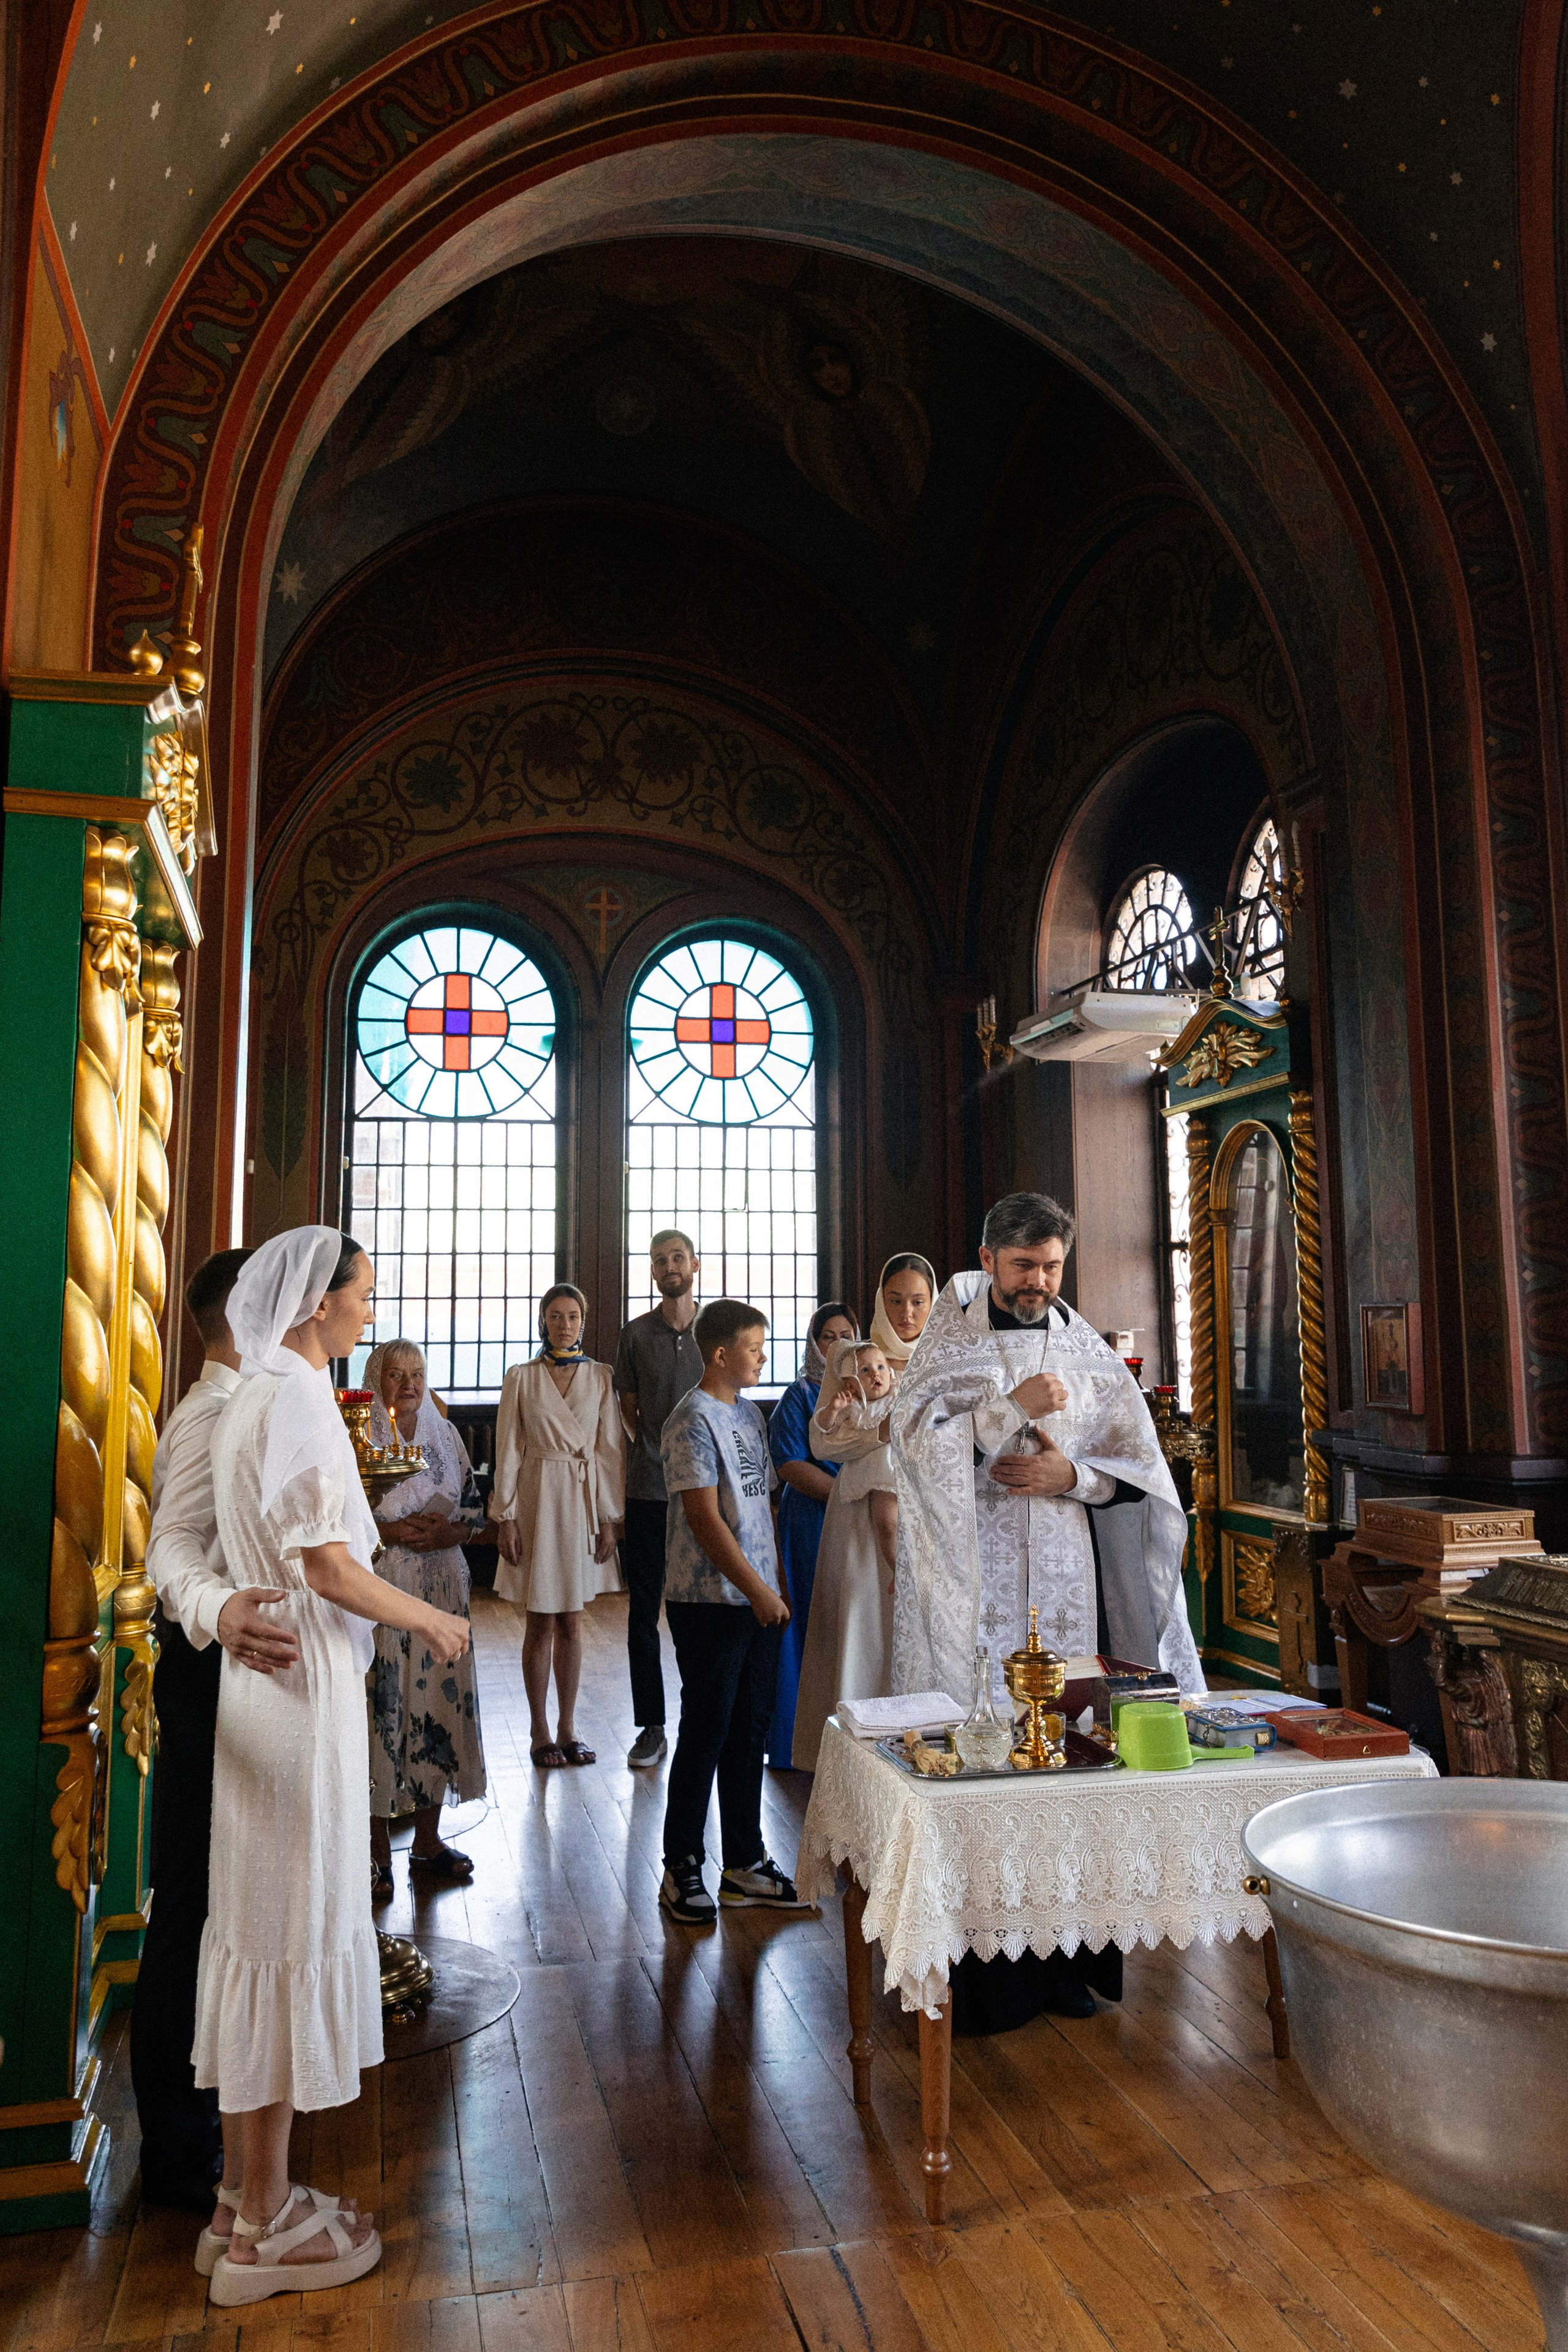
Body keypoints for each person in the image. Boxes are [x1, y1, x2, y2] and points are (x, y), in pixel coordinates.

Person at [195, 1227, 471, 2306]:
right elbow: (329, 1567)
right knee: (292, 1931)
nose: (369, 1313)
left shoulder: (250, 1391)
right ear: (317, 1303)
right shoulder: (304, 1394)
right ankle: (267, 2227)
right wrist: (433, 1627)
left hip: (253, 1684)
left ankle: (240, 2198)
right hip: (302, 1681)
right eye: (362, 1297)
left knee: (257, 1934)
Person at [891, 1189, 1202, 2026]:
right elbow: (913, 1452)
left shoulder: (1087, 1351)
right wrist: (1007, 1412)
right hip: (975, 1596)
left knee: (1071, 1760)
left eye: (1053, 1266)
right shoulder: (946, 1347)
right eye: (1024, 1265)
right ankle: (986, 1978)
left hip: (1069, 1592)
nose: (1039, 1281)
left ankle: (1068, 1965)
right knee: (987, 1760)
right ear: (988, 1260)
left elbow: (1139, 1472)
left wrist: (1076, 1478)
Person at [132, 1246, 303, 2215]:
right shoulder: (207, 1416)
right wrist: (220, 1608)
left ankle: (219, 2110)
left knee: (225, 1902)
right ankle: (177, 2149)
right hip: (205, 1673)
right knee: (191, 1904)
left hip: (245, 1673)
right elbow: (171, 1545)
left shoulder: (258, 1406)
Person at [657, 1298, 815, 1925]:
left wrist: (773, 1581)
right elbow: (704, 1518)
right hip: (708, 1601)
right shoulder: (690, 1419)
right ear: (721, 1354)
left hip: (758, 1598)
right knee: (706, 1729)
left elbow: (760, 1509)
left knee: (750, 1729)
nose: (762, 1356)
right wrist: (754, 1589)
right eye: (754, 1347)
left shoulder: (749, 1413)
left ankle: (744, 1862)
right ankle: (682, 1865)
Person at [366, 1339, 487, 1894]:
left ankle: (428, 1842)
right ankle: (372, 1852)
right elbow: (339, 1524)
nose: (409, 1385)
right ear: (376, 1379)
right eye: (396, 1375)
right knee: (384, 1713)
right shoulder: (358, 1439)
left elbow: (476, 1512)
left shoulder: (446, 1434)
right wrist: (387, 1532)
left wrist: (451, 1531)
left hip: (443, 1589)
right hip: (383, 1595)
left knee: (437, 1706)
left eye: (417, 1374)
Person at [494, 1284, 625, 1768]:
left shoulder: (600, 1378)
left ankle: (569, 1727)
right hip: (538, 1496)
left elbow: (610, 1450)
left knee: (572, 1617)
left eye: (572, 1316)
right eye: (555, 1316)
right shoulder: (522, 1378)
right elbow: (507, 1447)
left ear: (583, 1323)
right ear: (543, 1321)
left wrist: (610, 1519)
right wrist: (505, 1514)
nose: (564, 1324)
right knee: (540, 1617)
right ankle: (539, 1729)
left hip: (582, 1497)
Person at [614, 1230, 703, 1768]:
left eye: (677, 1257)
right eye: (658, 1260)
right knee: (643, 1612)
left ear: (694, 1264)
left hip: (703, 1489)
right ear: (651, 1272)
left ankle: (702, 1713)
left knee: (698, 1607)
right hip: (649, 1488)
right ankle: (651, 1725)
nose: (669, 1266)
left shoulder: (715, 1328)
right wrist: (650, 1449)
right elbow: (627, 1404)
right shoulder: (634, 1335)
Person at [791, 1338, 900, 1770]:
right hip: (858, 1511)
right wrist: (839, 1412)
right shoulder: (854, 1401)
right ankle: (852, 1753)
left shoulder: (902, 1387)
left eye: (880, 1369)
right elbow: (823, 1443)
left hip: (900, 1497)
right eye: (866, 1371)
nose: (876, 1375)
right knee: (860, 1618)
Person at [764, 1300, 859, 1765]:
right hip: (813, 1520)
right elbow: (789, 1464)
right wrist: (847, 1493)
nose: (839, 1345)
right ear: (814, 1343)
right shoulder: (799, 1396)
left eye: (847, 1335)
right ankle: (796, 1742)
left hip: (860, 1519)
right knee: (808, 1618)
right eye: (829, 1337)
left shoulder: (870, 1390)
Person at [869, 1252, 937, 1368]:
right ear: (881, 1301)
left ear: (933, 1302)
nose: (906, 1313)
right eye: (896, 1301)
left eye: (918, 1302)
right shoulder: (855, 1361)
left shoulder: (949, 1361)